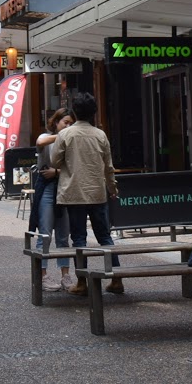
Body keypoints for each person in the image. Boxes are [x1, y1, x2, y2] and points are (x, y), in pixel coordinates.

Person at [52, 92, 120, 297]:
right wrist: (112, 188)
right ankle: (117, 278)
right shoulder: (100, 135)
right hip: (97, 192)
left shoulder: (66, 135)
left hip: (74, 193)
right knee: (105, 237)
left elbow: (55, 161)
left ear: (74, 112)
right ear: (93, 113)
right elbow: (109, 167)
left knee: (79, 239)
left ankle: (82, 281)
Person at [34, 108, 75, 291]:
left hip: (65, 188)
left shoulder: (72, 141)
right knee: (45, 233)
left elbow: (74, 168)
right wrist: (63, 136)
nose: (68, 126)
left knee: (63, 235)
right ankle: (42, 275)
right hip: (48, 189)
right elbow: (40, 142)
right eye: (65, 122)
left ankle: (65, 275)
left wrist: (56, 172)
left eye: (71, 123)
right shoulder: (47, 137)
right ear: (56, 122)